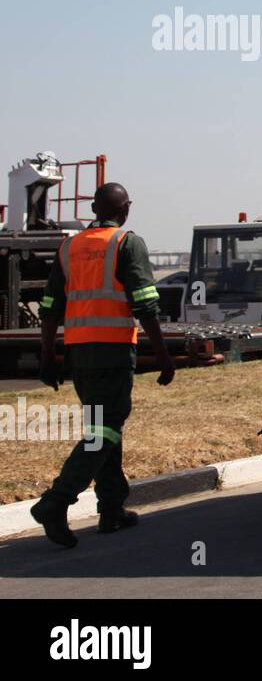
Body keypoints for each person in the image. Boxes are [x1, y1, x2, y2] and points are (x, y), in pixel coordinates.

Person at [31, 182, 177, 547]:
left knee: (103, 425)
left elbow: (49, 308)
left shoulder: (69, 247)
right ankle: (56, 501)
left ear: (95, 209)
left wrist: (48, 356)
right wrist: (163, 355)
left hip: (79, 355)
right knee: (106, 430)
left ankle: (111, 509)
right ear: (125, 210)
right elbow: (145, 305)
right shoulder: (127, 244)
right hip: (112, 353)